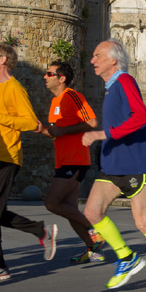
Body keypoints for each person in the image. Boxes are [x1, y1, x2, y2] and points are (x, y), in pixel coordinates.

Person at [81, 39, 146, 292]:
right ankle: (127, 258)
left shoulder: (125, 81)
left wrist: (102, 134)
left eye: (98, 55)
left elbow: (141, 117)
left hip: (136, 165)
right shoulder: (111, 88)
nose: (92, 60)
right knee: (92, 212)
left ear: (113, 60)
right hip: (112, 166)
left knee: (143, 222)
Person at [0, 43, 57, 281]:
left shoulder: (14, 88)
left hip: (7, 157)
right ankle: (41, 231)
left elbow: (30, 123)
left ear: (3, 60)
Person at [35, 61, 105, 264]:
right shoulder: (55, 102)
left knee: (52, 203)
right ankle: (93, 249)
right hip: (63, 160)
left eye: (49, 73)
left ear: (62, 78)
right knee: (70, 209)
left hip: (76, 159)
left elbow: (92, 122)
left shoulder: (73, 96)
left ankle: (94, 232)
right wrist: (40, 130)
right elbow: (55, 133)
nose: (45, 77)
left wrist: (63, 130)